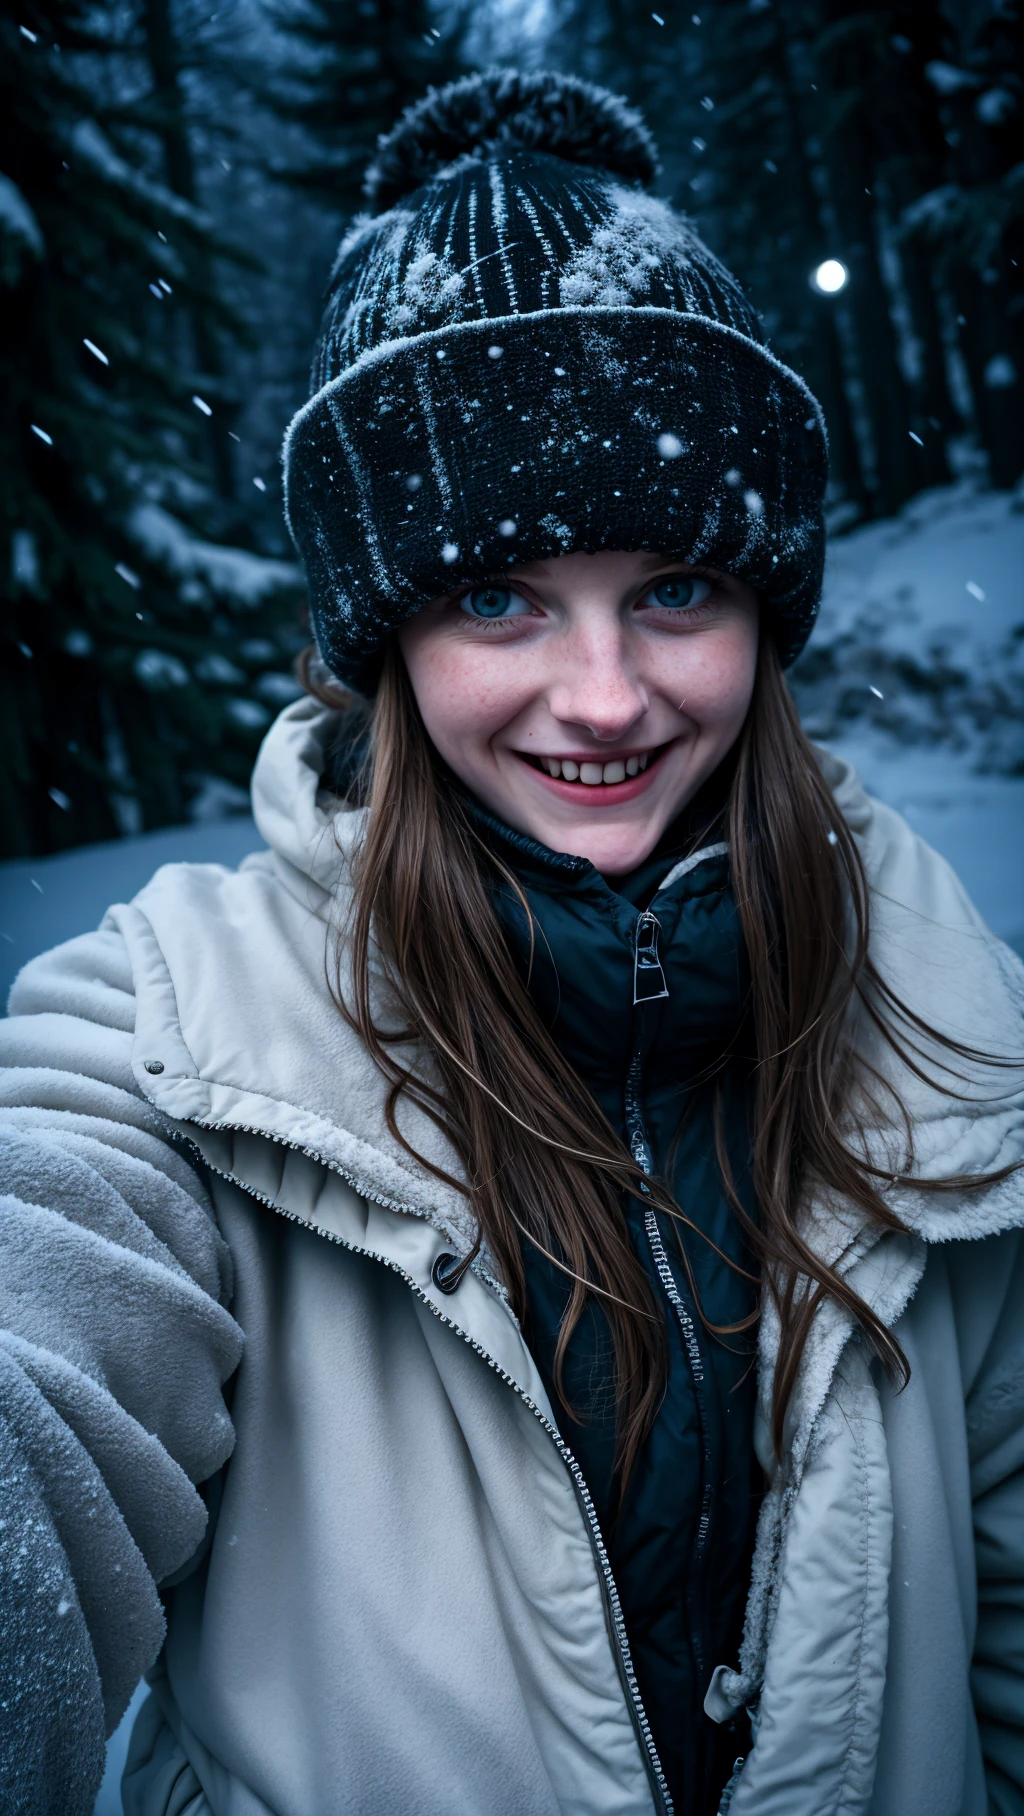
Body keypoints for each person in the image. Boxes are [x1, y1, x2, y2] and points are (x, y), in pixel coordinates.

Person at [1, 68, 1022, 1816]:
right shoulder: (173, 1039)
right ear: (381, 643)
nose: (607, 697)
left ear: (765, 615)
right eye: (499, 598)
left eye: (676, 591)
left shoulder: (955, 1024)